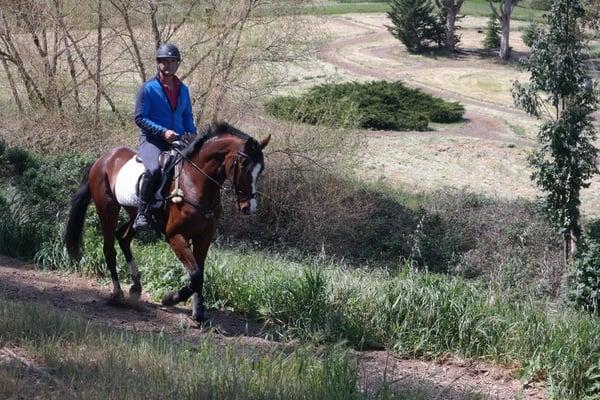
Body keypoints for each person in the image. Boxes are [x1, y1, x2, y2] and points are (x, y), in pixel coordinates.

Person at [133, 43, 198, 231]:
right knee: (153, 171)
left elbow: (187, 115)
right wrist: (163, 132)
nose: (168, 65)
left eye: (172, 61)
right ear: (158, 64)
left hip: (178, 140)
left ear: (177, 64)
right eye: (164, 62)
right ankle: (142, 214)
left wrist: (192, 131)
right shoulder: (148, 88)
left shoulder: (183, 89)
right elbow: (139, 117)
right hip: (152, 141)